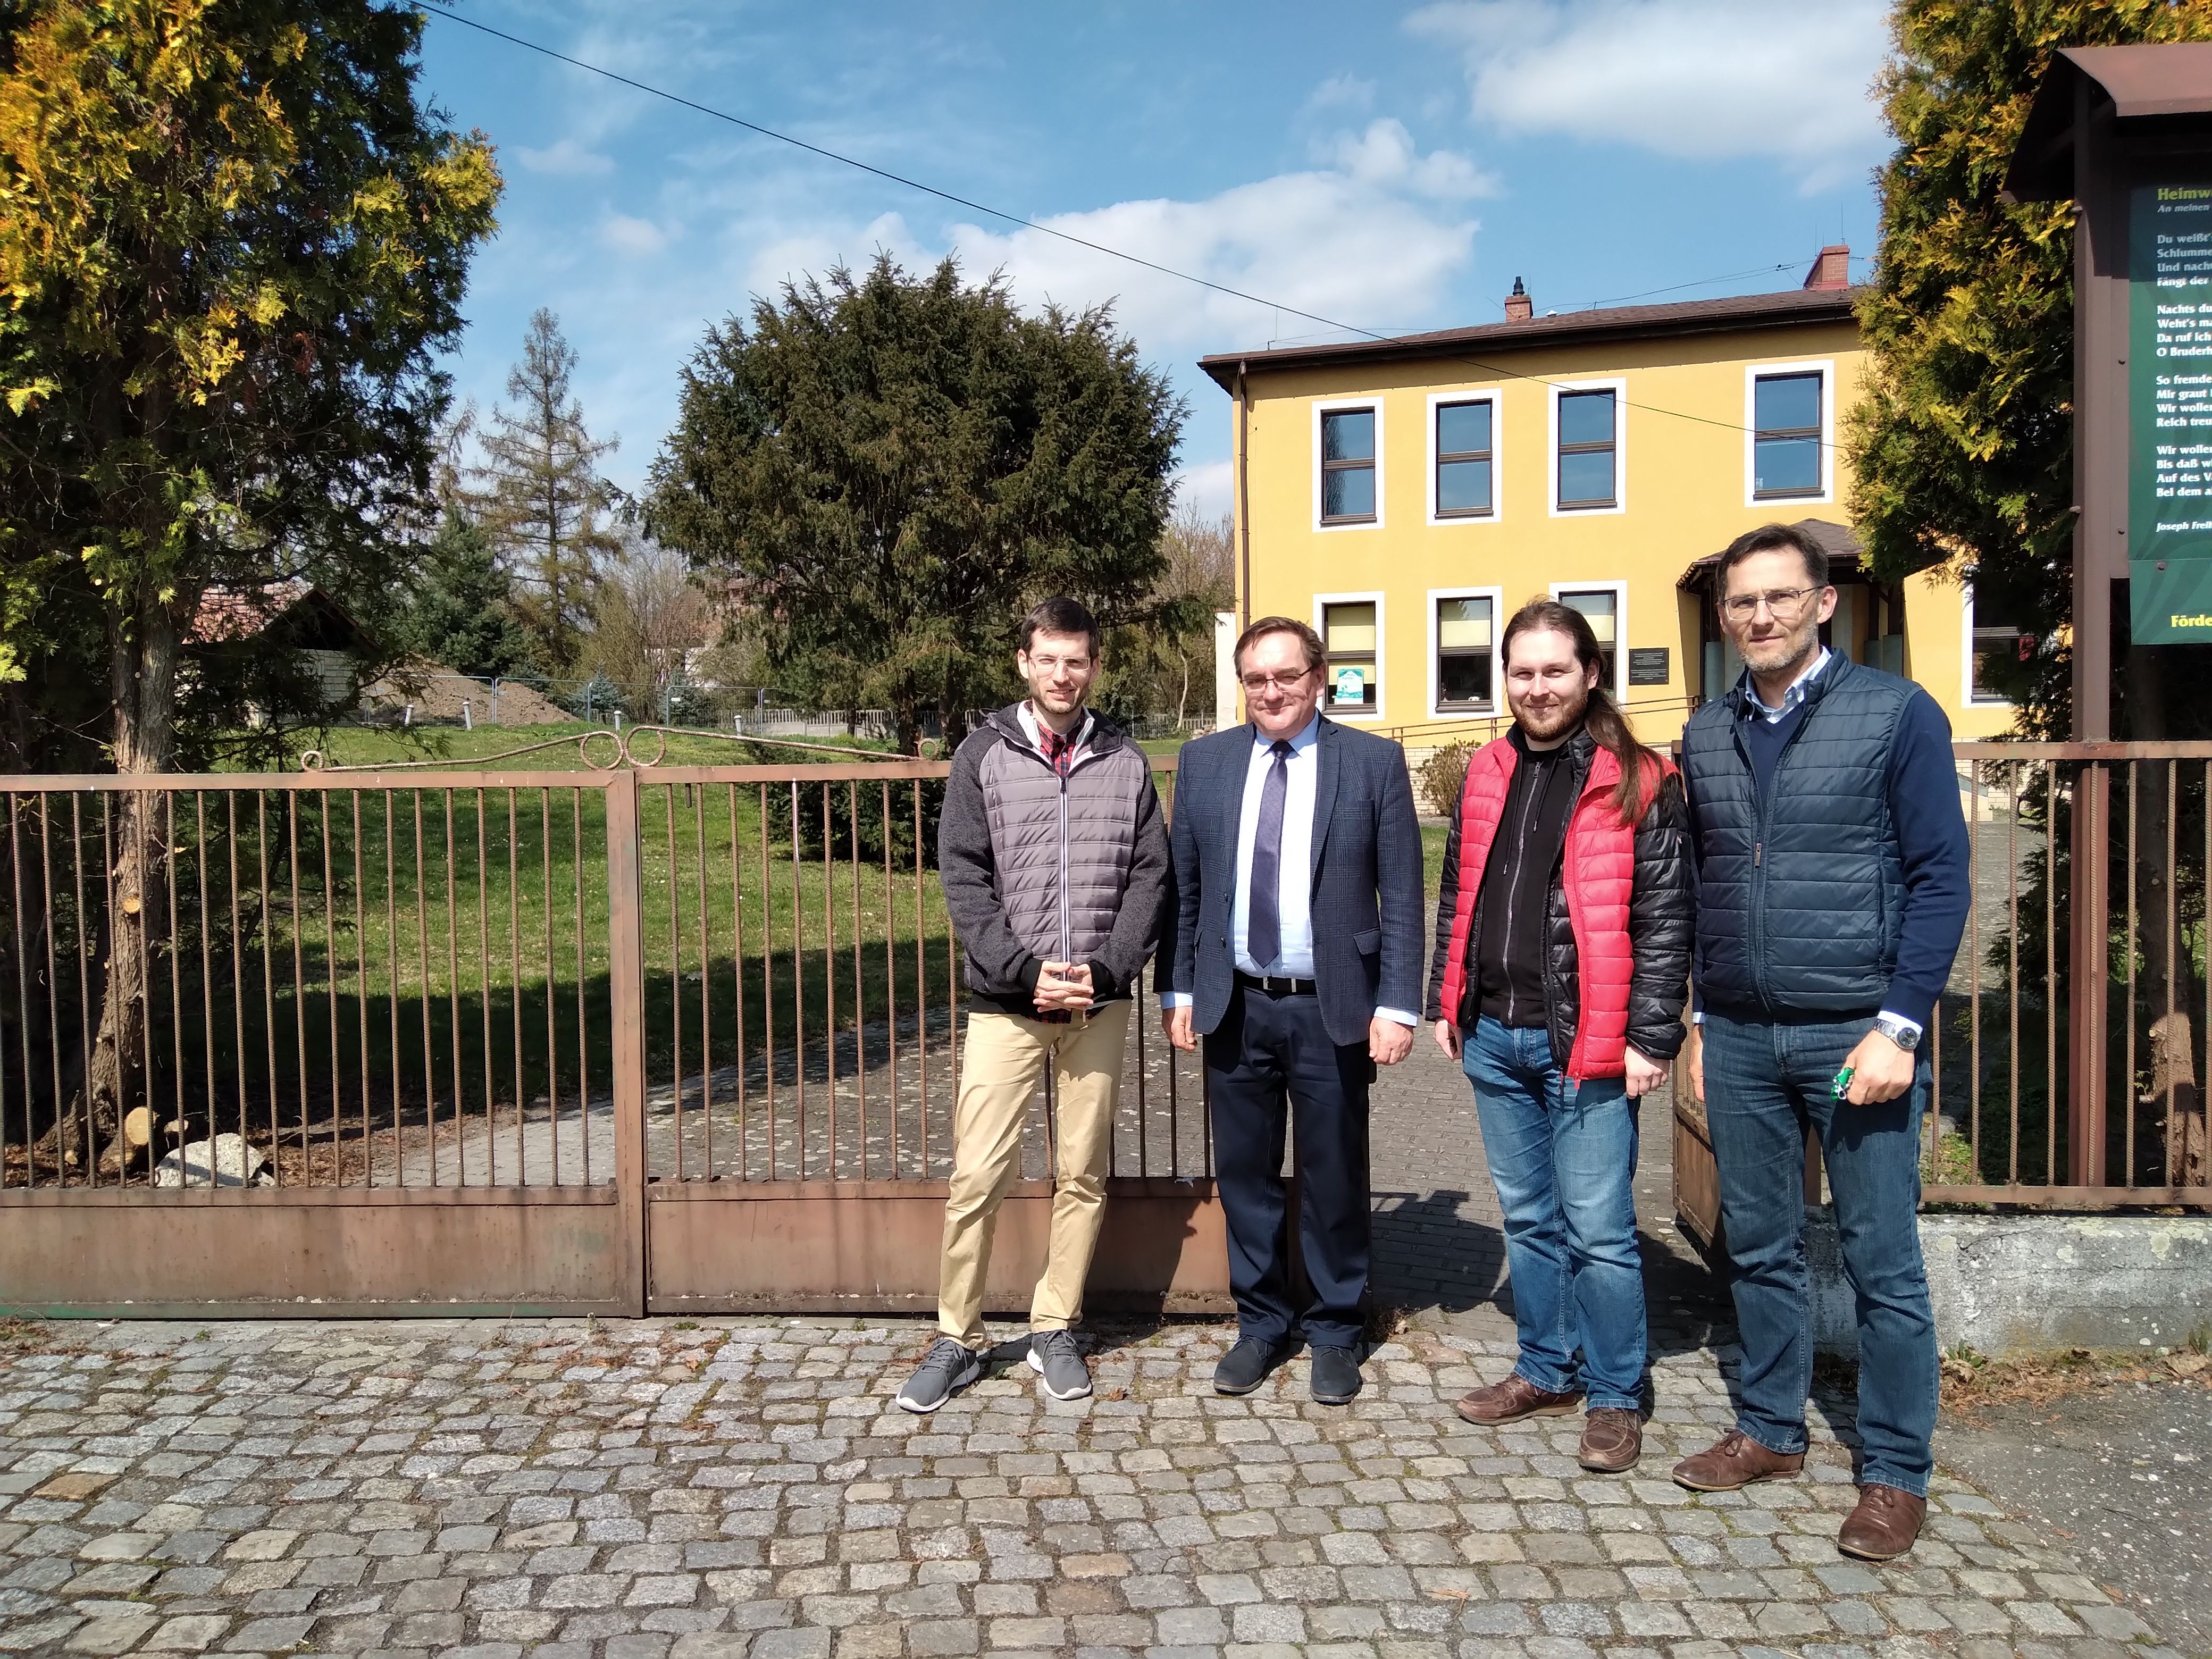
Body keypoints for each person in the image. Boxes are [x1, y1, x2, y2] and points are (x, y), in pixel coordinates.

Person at [1674, 523, 1971, 1561]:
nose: (1760, 616)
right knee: (1758, 1247)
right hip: (1741, 1035)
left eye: (1780, 596)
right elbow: (1705, 882)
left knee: (1881, 1259)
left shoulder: (1895, 714)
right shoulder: (1706, 731)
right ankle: (1770, 1429)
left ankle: (1893, 1473)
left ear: (1823, 603)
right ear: (1725, 616)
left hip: (1856, 1034)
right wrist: (1702, 1020)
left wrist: (1901, 1025)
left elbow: (1940, 877)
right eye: (1742, 602)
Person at [1426, 599, 1692, 1472]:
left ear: (1590, 674)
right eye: (1522, 671)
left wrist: (1652, 1036)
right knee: (1529, 1218)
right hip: (1494, 1036)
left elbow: (1667, 920)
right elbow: (1460, 892)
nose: (1537, 687)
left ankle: (1615, 1394)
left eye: (1554, 670)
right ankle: (1546, 1368)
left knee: (1600, 1229)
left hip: (1589, 1043)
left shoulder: (1639, 778)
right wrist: (1445, 999)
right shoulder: (1488, 768)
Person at [896, 597, 1170, 1413]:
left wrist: (1110, 967)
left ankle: (1055, 1325)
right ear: (1023, 662)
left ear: (1094, 666)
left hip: (1097, 1002)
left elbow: (1150, 874)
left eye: (1076, 660)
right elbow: (963, 873)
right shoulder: (982, 754)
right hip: (1006, 1003)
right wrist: (1020, 970)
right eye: (1047, 659)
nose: (1062, 674)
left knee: (1082, 1173)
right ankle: (957, 1337)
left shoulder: (1124, 759)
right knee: (978, 1174)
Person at [1161, 615, 1425, 1405]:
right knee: (1246, 1176)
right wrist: (1179, 990)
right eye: (1256, 679)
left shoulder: (1371, 762)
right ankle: (1262, 1323)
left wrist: (1398, 1004)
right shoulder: (1205, 763)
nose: (1271, 691)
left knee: (1334, 1175)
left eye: (1286, 676)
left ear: (1317, 678)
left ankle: (1336, 1329)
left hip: (1331, 1008)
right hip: (1236, 1004)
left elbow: (1402, 893)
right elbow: (1185, 890)